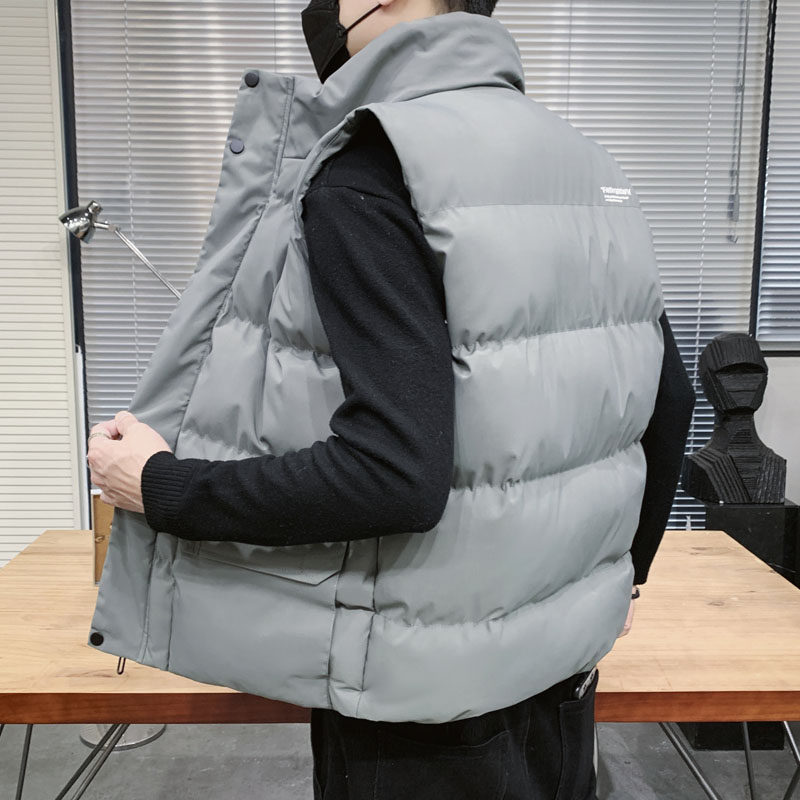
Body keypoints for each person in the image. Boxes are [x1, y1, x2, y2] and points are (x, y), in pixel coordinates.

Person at [86, 1, 696, 798]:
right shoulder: (586, 164)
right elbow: (670, 403)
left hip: (422, 716)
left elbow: (395, 475)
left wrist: (161, 485)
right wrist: (621, 578)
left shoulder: (375, 166)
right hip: (563, 680)